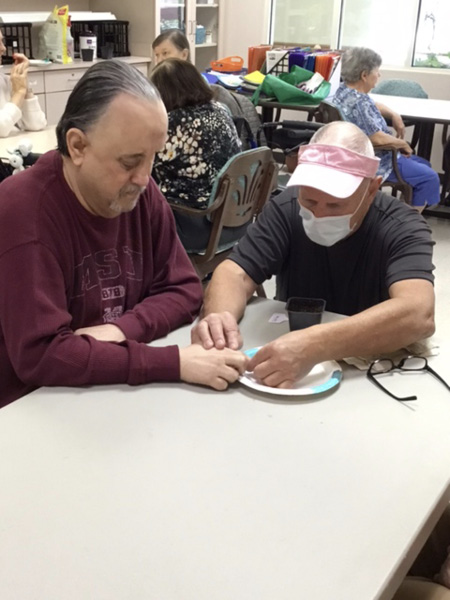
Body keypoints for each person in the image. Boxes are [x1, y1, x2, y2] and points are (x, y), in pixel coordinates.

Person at [0, 60, 248, 408]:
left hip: (114, 393)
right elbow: (42, 356)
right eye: (130, 162)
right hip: (33, 407)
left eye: (153, 159)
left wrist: (121, 331)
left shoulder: (141, 195)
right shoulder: (23, 213)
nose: (144, 179)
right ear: (77, 146)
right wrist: (174, 363)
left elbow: (184, 287)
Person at [191, 121, 435, 389]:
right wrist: (219, 319)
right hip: (289, 361)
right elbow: (235, 272)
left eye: (335, 204)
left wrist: (316, 344)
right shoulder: (286, 208)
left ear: (372, 189)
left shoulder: (402, 227)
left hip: (372, 370)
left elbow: (417, 313)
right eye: (310, 201)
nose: (319, 214)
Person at [332, 46, 439, 211]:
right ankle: (410, 222)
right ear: (364, 75)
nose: (379, 75)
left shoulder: (345, 91)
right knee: (429, 177)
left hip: (357, 154)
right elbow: (376, 138)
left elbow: (372, 105)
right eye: (377, 71)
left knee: (424, 164)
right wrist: (402, 143)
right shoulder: (359, 103)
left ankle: (405, 209)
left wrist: (393, 114)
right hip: (378, 160)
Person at [151, 58, 242, 250]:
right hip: (238, 219)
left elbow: (144, 168)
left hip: (196, 228)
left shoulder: (172, 123)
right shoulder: (222, 110)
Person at [0, 30, 47, 137]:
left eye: (2, 41)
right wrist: (19, 92)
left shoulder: (4, 80)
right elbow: (1, 128)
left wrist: (24, 86)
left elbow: (37, 124)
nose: (3, 48)